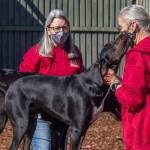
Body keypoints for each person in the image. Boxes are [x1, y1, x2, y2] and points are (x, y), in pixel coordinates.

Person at [19, 9, 84, 150]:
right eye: (56, 28)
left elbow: (81, 84)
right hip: (41, 116)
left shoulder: (75, 53)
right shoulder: (36, 53)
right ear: (48, 30)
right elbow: (22, 83)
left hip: (66, 116)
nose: (61, 32)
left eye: (64, 27)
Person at [104, 5, 150, 150]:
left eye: (121, 27)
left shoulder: (137, 55)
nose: (121, 32)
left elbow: (133, 99)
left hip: (142, 132)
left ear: (133, 26)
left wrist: (116, 85)